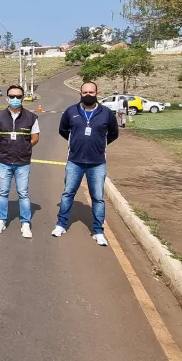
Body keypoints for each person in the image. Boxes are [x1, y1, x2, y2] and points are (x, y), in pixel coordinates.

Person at [52, 82, 119, 246]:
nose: (88, 95)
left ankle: (98, 231)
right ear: (80, 94)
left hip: (97, 163)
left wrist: (98, 146)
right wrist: (76, 143)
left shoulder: (106, 113)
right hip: (74, 161)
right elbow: (63, 130)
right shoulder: (71, 111)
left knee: (98, 198)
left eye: (91, 92)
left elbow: (113, 134)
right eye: (85, 92)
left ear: (97, 93)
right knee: (68, 193)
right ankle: (61, 224)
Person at [0, 84, 40, 239]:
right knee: (3, 192)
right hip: (4, 161)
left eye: (18, 96)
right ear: (7, 98)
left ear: (23, 98)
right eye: (12, 96)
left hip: (22, 162)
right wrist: (5, 147)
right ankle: (1, 220)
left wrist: (23, 148)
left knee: (23, 193)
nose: (15, 99)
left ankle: (25, 223)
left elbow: (35, 138)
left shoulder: (31, 117)